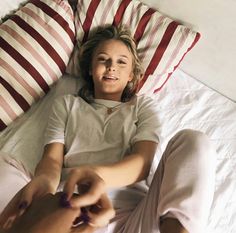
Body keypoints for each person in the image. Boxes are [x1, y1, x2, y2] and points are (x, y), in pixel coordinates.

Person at [0, 25, 216, 233]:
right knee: (5, 166)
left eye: (122, 62)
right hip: (69, 211)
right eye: (103, 59)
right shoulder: (67, 104)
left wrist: (94, 176)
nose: (112, 66)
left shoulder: (143, 106)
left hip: (132, 218)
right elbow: (52, 160)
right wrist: (45, 184)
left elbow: (142, 163)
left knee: (193, 141)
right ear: (91, 69)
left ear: (131, 74)